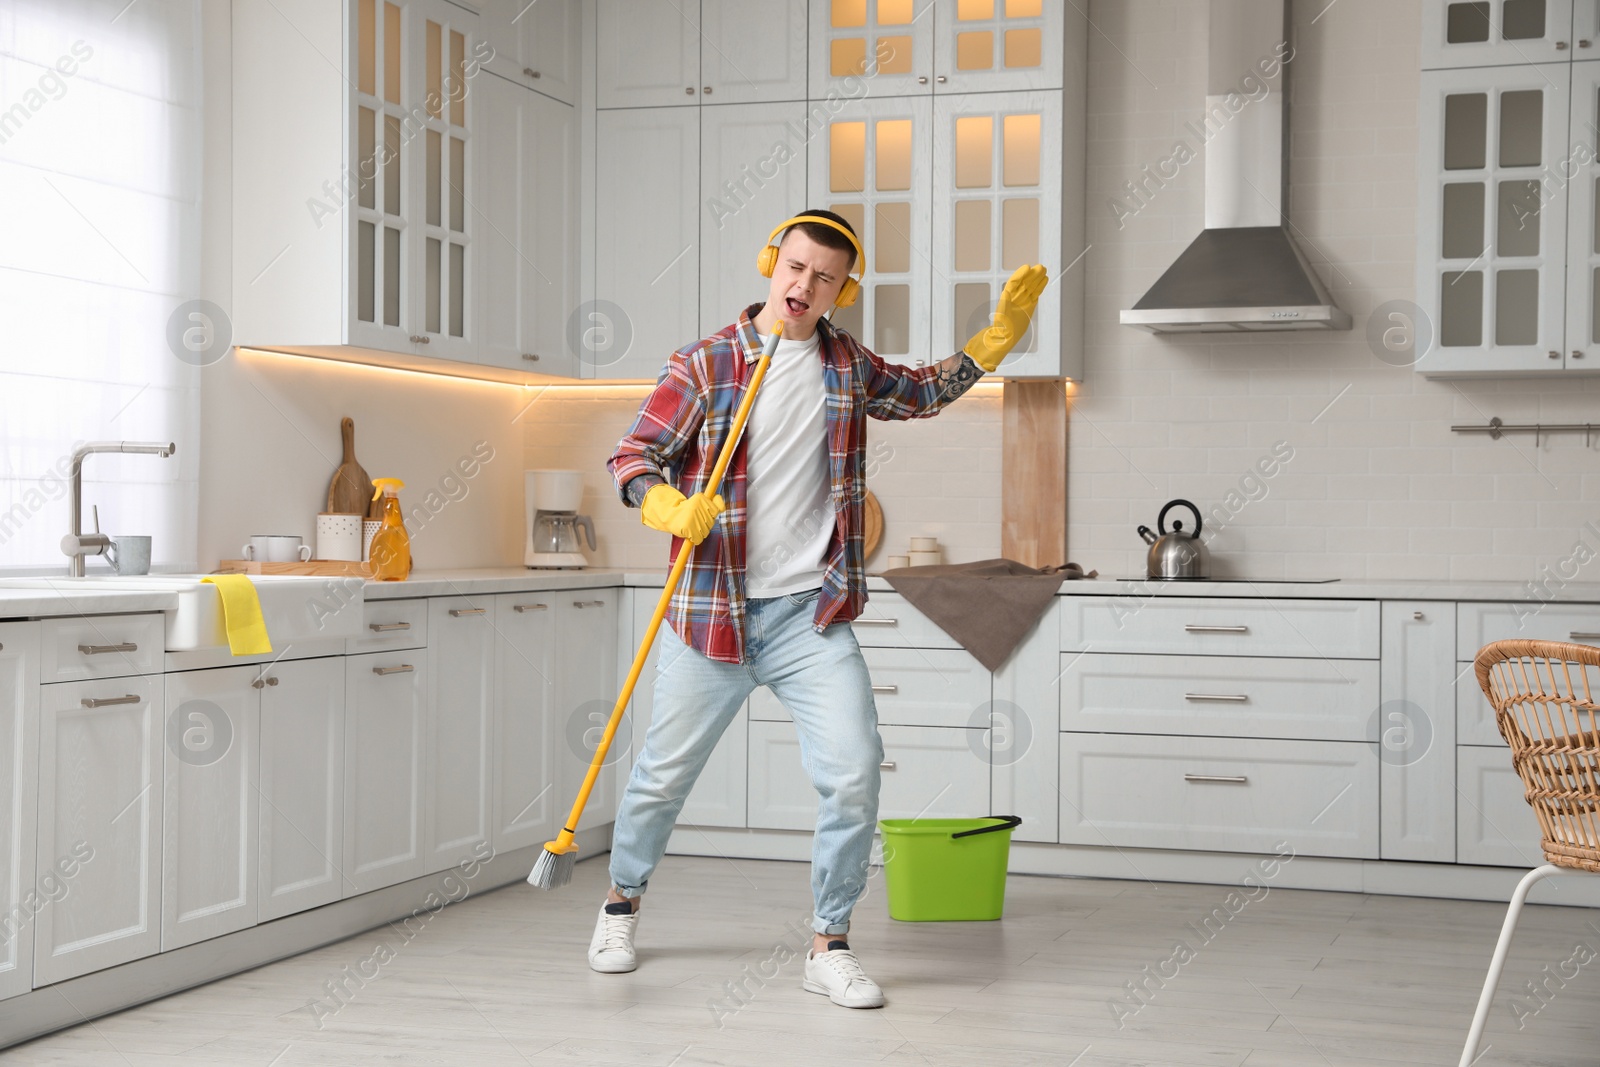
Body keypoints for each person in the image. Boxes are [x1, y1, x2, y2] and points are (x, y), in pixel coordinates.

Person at [596, 209, 1048, 1008]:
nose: (805, 286)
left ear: (843, 289)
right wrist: (664, 502)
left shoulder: (846, 363)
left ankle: (828, 942)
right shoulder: (707, 364)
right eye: (796, 267)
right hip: (712, 614)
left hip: (810, 615)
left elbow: (920, 393)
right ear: (774, 263)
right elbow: (634, 455)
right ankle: (620, 903)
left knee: (853, 774)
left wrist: (993, 341)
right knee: (662, 778)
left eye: (825, 277)